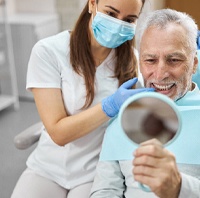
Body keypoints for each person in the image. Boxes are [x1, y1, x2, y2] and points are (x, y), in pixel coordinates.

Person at [11, 0, 154, 198]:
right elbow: (58, 133)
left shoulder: (133, 61)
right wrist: (110, 106)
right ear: (92, 4)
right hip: (47, 168)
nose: (119, 24)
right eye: (111, 14)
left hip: (95, 172)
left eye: (129, 20)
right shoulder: (49, 51)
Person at [90, 9, 200, 198]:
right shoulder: (123, 117)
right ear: (140, 62)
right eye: (150, 60)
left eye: (173, 60)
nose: (160, 74)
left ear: (194, 64)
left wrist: (180, 187)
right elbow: (105, 189)